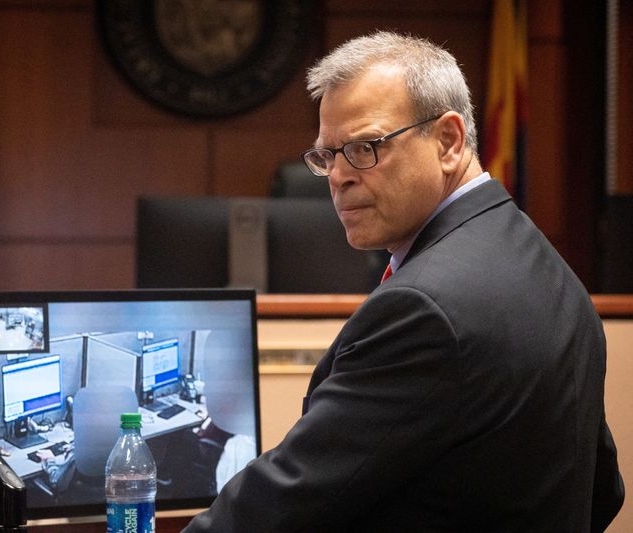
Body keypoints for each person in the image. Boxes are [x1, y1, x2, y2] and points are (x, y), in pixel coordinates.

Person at [184, 31, 625, 532]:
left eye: (365, 147)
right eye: (328, 155)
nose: (337, 176)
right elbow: (600, 489)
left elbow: (290, 502)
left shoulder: (424, 308)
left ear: (448, 141)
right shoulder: (546, 267)